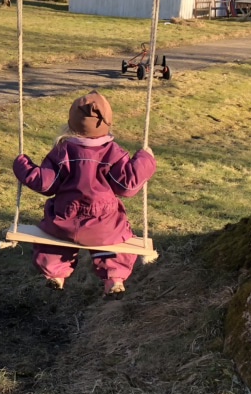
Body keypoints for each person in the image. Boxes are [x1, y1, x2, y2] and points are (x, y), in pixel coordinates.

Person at [12, 90, 156, 296]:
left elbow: (45, 184)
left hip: (64, 222)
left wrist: (22, 165)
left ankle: (55, 274)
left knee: (54, 240)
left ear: (71, 124)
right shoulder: (113, 153)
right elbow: (127, 186)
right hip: (104, 224)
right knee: (116, 240)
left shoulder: (62, 152)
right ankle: (114, 278)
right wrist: (145, 159)